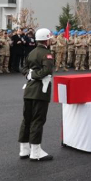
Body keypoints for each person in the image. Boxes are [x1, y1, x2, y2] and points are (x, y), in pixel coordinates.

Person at [18, 28, 55, 162]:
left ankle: (24, 149)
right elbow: (47, 70)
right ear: (46, 39)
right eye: (50, 38)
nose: (51, 40)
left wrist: (29, 74)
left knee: (26, 119)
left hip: (29, 90)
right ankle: (35, 151)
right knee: (38, 120)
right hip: (40, 90)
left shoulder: (32, 52)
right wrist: (34, 75)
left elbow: (22, 67)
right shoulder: (46, 53)